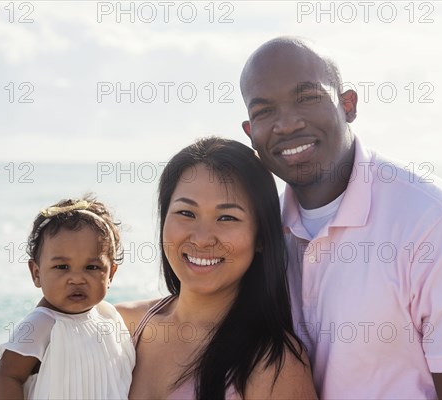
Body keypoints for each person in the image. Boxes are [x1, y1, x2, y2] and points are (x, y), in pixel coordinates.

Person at [239, 36, 442, 399]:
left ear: (348, 105)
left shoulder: (435, 225)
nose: (287, 123)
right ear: (250, 132)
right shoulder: (258, 237)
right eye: (264, 110)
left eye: (307, 98)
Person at [117, 137, 317, 399]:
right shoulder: (121, 326)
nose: (202, 238)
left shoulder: (273, 363)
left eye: (227, 218)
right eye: (186, 213)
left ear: (261, 238)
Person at [0, 196, 135, 399]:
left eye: (92, 267)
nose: (77, 279)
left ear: (111, 273)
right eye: (62, 267)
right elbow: (8, 375)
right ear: (36, 273)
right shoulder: (42, 323)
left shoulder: (108, 316)